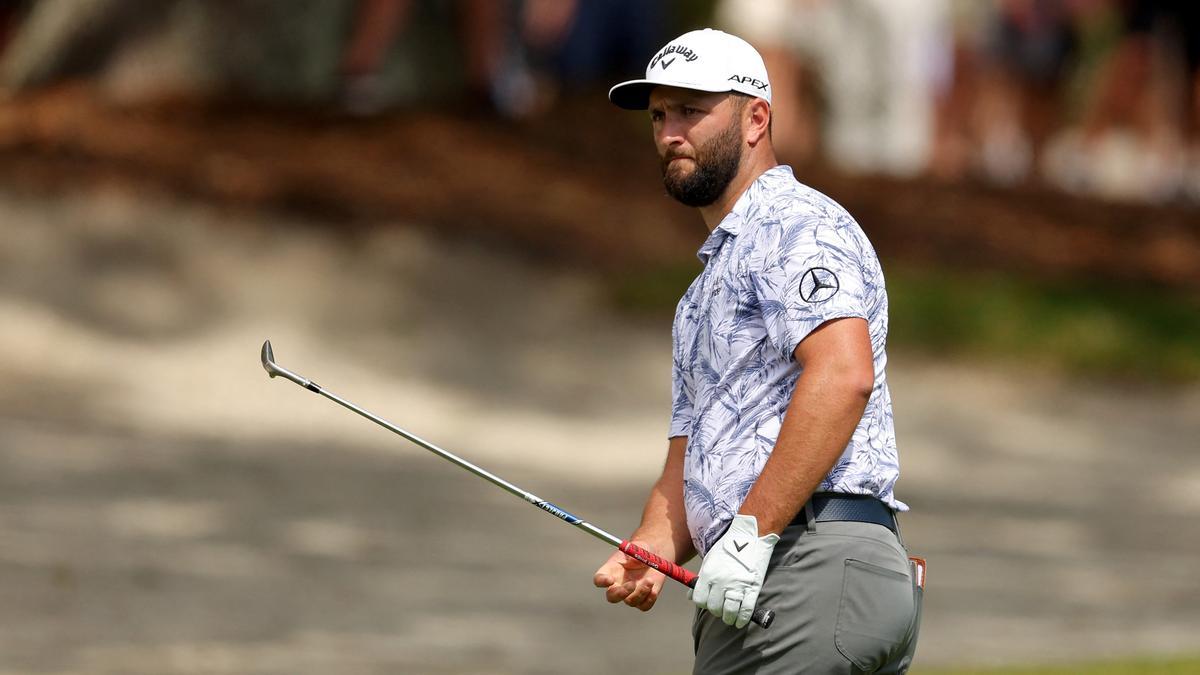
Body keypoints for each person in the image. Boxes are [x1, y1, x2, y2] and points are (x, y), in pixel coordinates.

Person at [594, 28, 923, 673]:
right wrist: (652, 547)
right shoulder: (702, 290)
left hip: (807, 562)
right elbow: (690, 457)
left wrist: (751, 533)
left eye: (691, 110)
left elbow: (843, 372)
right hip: (783, 568)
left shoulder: (797, 224)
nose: (669, 132)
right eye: (660, 115)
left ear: (756, 119)